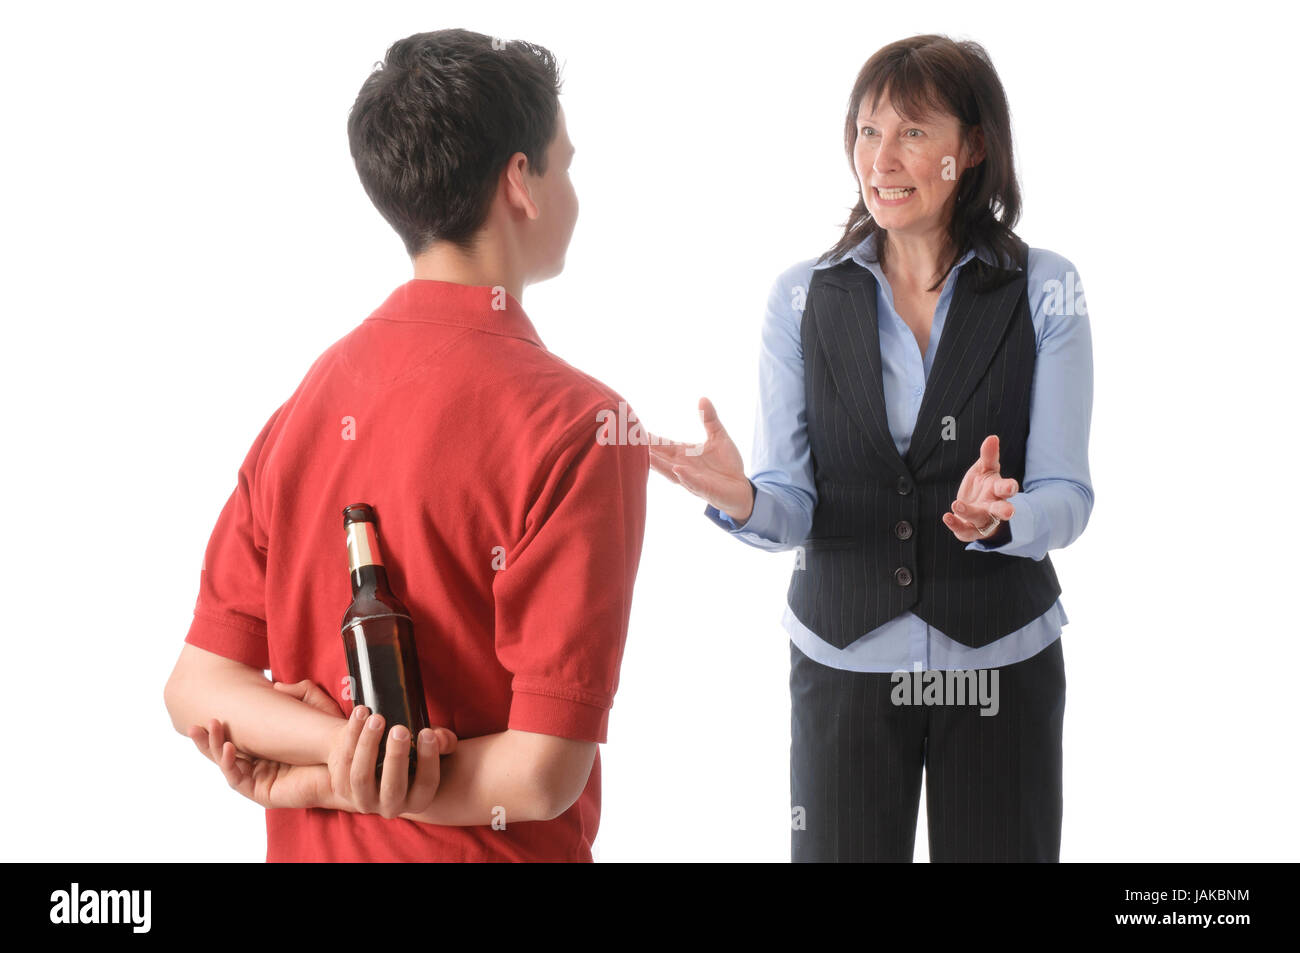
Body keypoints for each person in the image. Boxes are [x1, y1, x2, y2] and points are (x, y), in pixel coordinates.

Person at [162, 28, 649, 862]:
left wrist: (327, 768)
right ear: (520, 183)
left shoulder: (309, 402)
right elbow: (540, 775)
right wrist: (357, 767)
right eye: (565, 163)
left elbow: (198, 687)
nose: (573, 189)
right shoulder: (582, 426)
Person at [649, 34, 1093, 862]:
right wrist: (743, 498)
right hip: (843, 659)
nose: (880, 159)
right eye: (865, 131)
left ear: (974, 148)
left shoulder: (1045, 289)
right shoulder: (802, 299)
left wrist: (1006, 517)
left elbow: (1069, 495)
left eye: (914, 133)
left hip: (1000, 660)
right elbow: (792, 503)